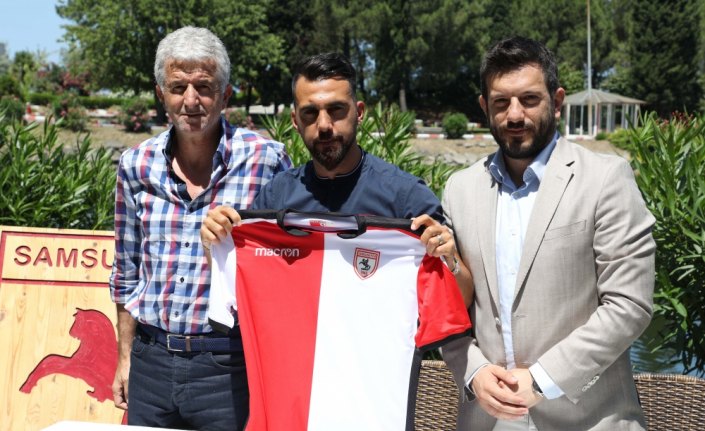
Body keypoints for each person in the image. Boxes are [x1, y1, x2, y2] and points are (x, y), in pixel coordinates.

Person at [440, 36, 656, 430]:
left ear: (556, 102)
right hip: (487, 418)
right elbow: (446, 308)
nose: (515, 114)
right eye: (501, 102)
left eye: (529, 99)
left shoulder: (606, 179)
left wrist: (543, 379)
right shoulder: (459, 189)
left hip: (588, 420)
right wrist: (472, 371)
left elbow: (629, 305)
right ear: (484, 107)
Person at [109, 26, 291, 430]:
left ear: (225, 95)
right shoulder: (135, 166)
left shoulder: (266, 162)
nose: (190, 100)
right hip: (151, 361)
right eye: (178, 87)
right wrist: (125, 358)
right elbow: (126, 272)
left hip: (228, 365)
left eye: (204, 87)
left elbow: (288, 262)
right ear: (161, 94)